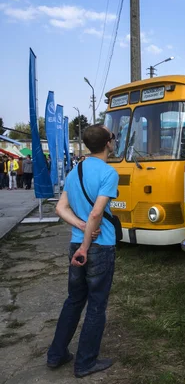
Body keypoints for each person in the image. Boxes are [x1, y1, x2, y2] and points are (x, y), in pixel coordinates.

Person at [47, 125, 118, 378]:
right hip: (97, 247)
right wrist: (87, 245)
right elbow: (97, 213)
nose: (114, 141)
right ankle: (85, 362)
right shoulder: (109, 173)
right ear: (108, 143)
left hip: (75, 244)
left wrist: (80, 227)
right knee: (97, 305)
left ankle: (56, 354)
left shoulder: (74, 170)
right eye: (113, 137)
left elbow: (60, 208)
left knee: (74, 299)